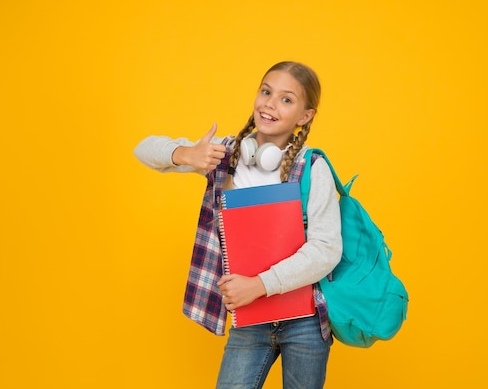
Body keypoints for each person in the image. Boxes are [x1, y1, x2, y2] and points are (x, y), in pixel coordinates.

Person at [134, 61, 342, 389]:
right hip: (250, 322)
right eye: (266, 91)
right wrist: (186, 154)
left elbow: (326, 249)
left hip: (305, 323)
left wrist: (258, 285)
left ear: (305, 116)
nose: (270, 103)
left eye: (286, 99)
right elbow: (142, 149)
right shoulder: (225, 155)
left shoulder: (311, 167)